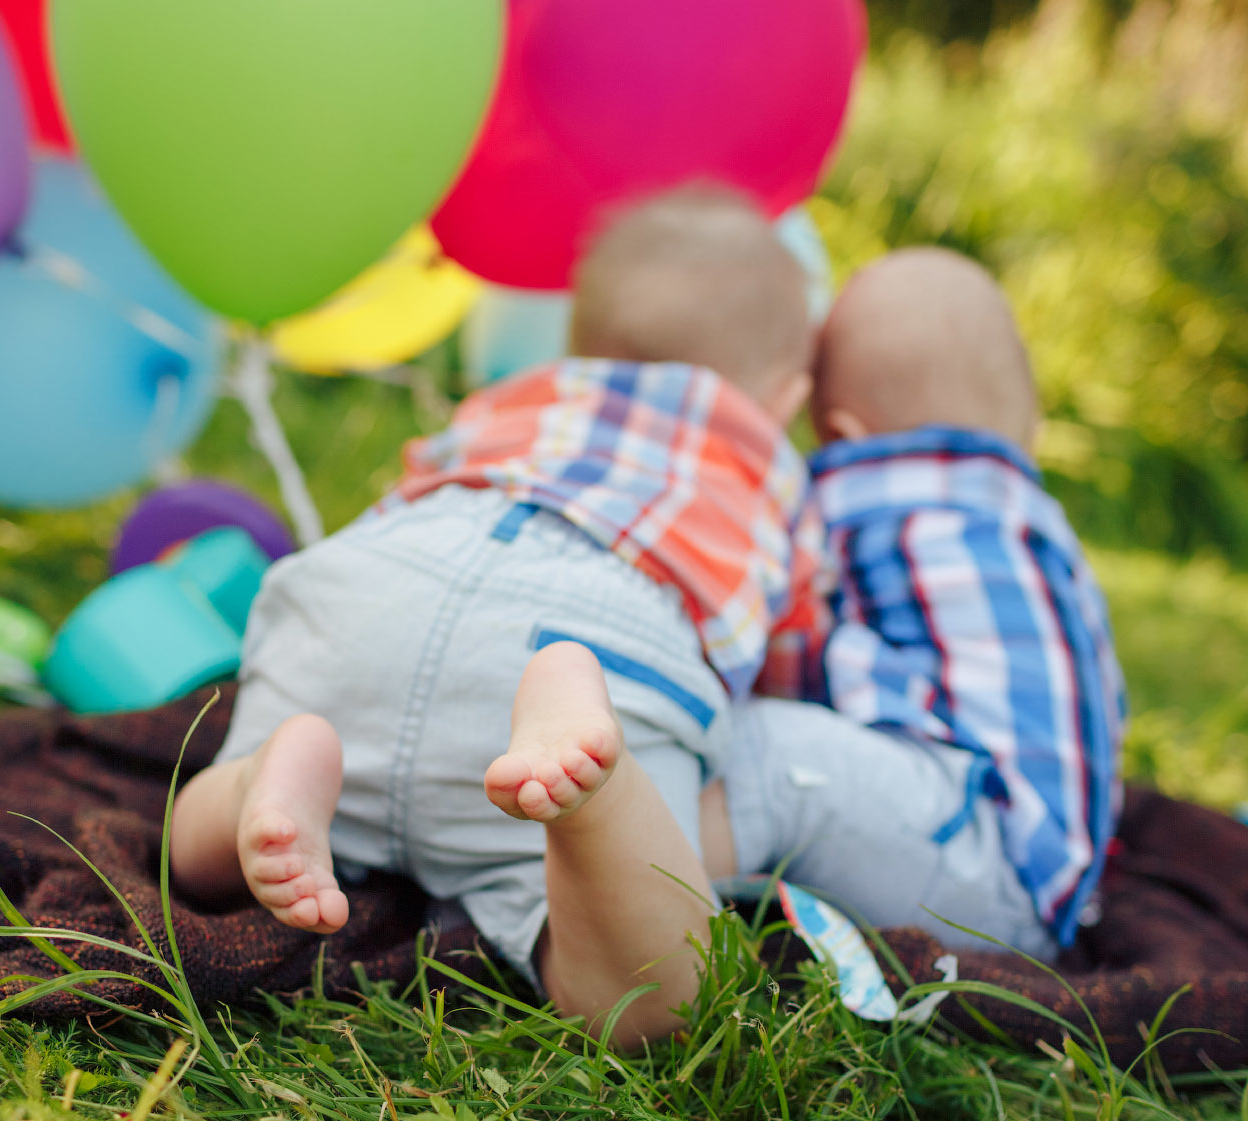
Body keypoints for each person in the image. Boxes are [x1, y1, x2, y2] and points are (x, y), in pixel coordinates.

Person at [167, 186, 826, 1045]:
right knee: (661, 1004)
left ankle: (256, 780)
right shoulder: (769, 465)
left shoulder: (512, 402)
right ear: (785, 394)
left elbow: (410, 490)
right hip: (599, 622)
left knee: (192, 853)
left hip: (368, 590)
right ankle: (591, 795)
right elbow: (788, 661)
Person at [703, 248, 1128, 960]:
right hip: (1050, 880)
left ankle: (627, 913)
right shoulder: (1037, 525)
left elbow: (782, 647)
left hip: (971, 870)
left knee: (756, 748)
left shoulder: (854, 499)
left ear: (841, 432)